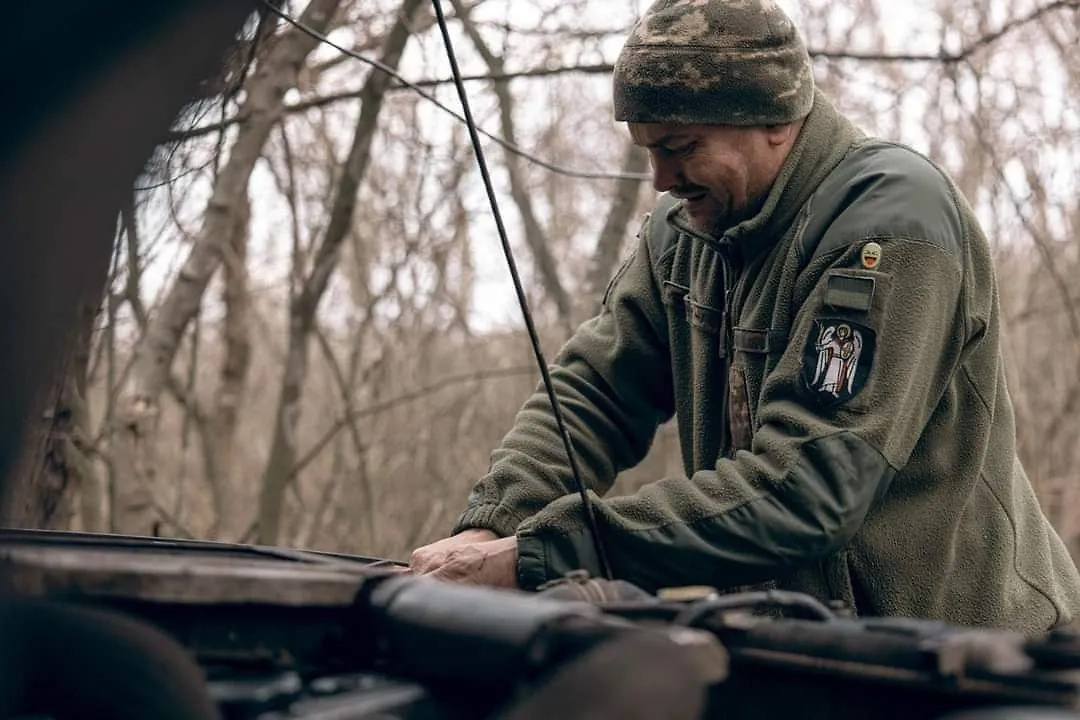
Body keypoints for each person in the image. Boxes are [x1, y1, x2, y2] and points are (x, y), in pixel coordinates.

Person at [409, 0, 1080, 634]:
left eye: (681, 146)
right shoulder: (686, 231)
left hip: (971, 657)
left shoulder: (890, 224)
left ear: (775, 121)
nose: (661, 179)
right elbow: (596, 393)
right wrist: (494, 523)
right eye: (648, 150)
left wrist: (544, 554)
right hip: (803, 646)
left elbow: (808, 489)